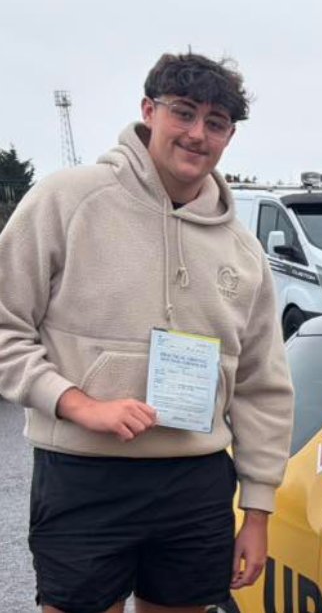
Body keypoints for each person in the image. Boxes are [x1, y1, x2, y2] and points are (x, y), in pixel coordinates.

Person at [0, 52, 294, 613]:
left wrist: (257, 511)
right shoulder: (68, 201)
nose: (197, 133)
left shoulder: (243, 249)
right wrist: (77, 403)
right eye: (183, 112)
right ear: (148, 111)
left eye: (215, 123)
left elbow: (263, 385)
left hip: (197, 482)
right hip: (84, 474)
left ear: (229, 136)